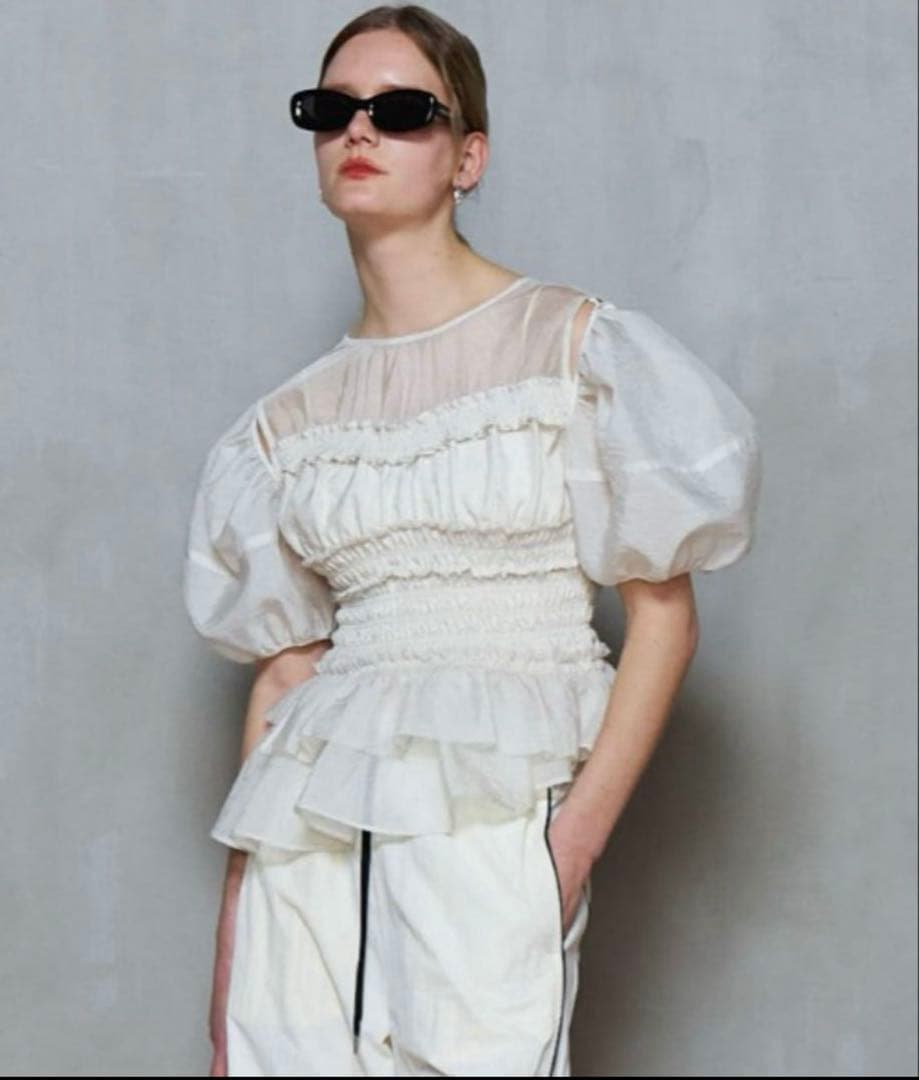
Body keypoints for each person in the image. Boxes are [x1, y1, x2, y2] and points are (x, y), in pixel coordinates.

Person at [182, 4, 762, 1076]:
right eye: (331, 111)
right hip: (305, 846)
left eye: (402, 111)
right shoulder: (284, 425)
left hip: (496, 818)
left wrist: (565, 852)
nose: (359, 131)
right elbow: (286, 674)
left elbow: (663, 620)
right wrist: (228, 980)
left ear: (467, 157)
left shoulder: (572, 347)